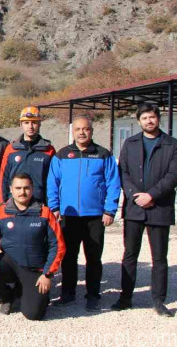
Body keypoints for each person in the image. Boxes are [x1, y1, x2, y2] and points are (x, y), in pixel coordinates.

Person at [113, 103, 177, 317]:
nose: (149, 121)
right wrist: (137, 195)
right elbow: (123, 172)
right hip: (134, 208)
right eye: (145, 118)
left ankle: (159, 300)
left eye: (152, 117)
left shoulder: (173, 145)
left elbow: (173, 176)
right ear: (139, 121)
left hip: (159, 208)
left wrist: (151, 195)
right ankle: (125, 297)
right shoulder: (130, 143)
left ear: (158, 119)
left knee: (159, 257)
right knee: (130, 254)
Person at [46, 116, 121, 311]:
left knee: (93, 258)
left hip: (95, 215)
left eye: (85, 129)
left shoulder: (103, 155)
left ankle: (93, 295)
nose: (81, 132)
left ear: (92, 131)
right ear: (73, 131)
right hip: (68, 215)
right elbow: (53, 182)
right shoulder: (62, 155)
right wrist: (54, 208)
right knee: (69, 257)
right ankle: (68, 294)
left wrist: (110, 209)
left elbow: (113, 183)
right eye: (78, 129)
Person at [0, 173, 65, 320]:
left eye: (26, 188)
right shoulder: (1, 212)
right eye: (18, 188)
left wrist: (47, 274)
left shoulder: (44, 212)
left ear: (32, 189)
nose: (22, 192)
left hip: (34, 268)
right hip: (10, 262)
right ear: (11, 189)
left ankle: (31, 293)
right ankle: (7, 298)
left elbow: (58, 245)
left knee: (34, 315)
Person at [0, 106, 56, 204]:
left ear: (39, 124)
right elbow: (3, 178)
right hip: (13, 204)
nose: (30, 126)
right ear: (21, 124)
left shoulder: (49, 150)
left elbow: (53, 181)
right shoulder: (11, 149)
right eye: (26, 123)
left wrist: (52, 205)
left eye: (34, 122)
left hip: (39, 204)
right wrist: (3, 202)